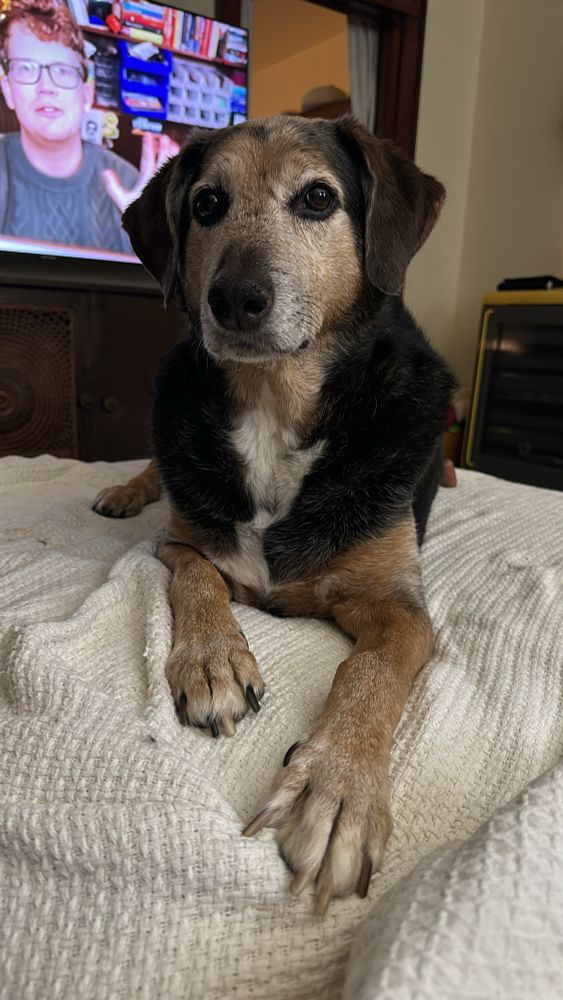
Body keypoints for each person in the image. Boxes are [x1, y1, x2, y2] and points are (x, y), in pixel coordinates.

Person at [0, 0, 177, 253]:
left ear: (86, 94)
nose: (45, 87)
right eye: (26, 68)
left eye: (62, 71)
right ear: (8, 90)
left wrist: (152, 233)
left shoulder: (132, 185)